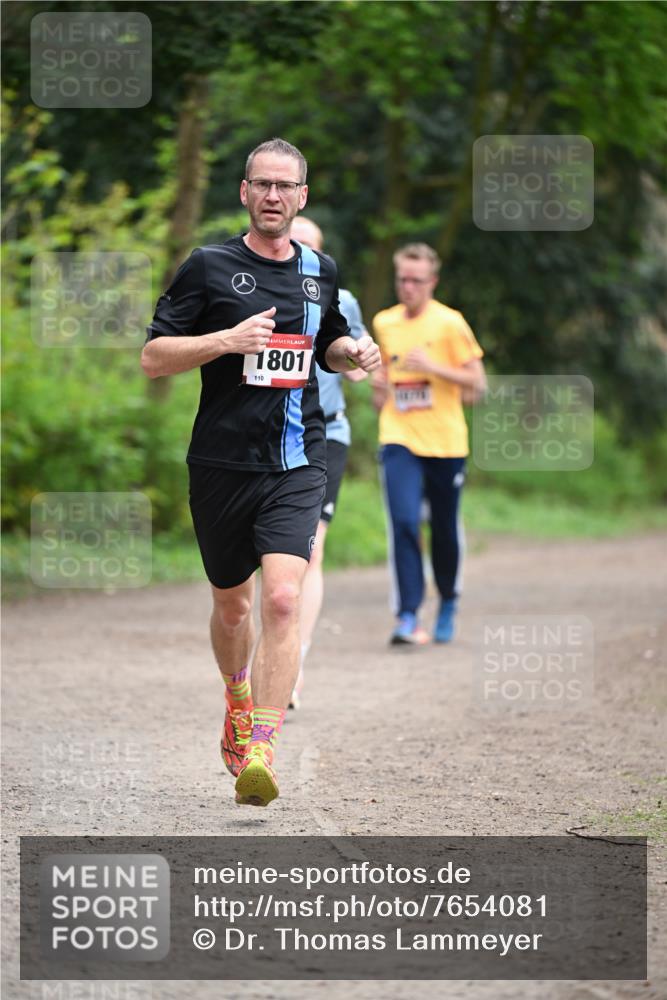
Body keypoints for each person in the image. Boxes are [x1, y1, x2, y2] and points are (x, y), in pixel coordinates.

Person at [141, 138, 380, 807]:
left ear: (302, 196)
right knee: (232, 606)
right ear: (244, 192)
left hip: (298, 458)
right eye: (262, 185)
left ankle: (262, 751)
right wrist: (225, 340)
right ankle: (237, 697)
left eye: (286, 187)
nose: (273, 196)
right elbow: (154, 357)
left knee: (280, 599)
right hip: (219, 463)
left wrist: (350, 351)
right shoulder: (208, 267)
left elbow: (326, 344)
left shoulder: (319, 271)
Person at [371, 243, 486, 645]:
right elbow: (382, 384)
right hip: (399, 437)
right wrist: (379, 387)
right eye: (402, 278)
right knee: (403, 522)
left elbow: (478, 384)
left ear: (432, 282)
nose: (408, 287)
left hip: (446, 443)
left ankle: (449, 598)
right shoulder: (385, 323)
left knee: (442, 529)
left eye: (417, 280)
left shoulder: (450, 324)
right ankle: (407, 615)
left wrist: (433, 367)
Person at [288, 216, 368, 709]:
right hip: (271, 431)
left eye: (309, 245)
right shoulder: (259, 289)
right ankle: (272, 652)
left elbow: (355, 359)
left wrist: (361, 359)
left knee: (311, 550)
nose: (300, 251)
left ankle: (293, 659)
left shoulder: (341, 296)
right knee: (270, 560)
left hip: (327, 432)